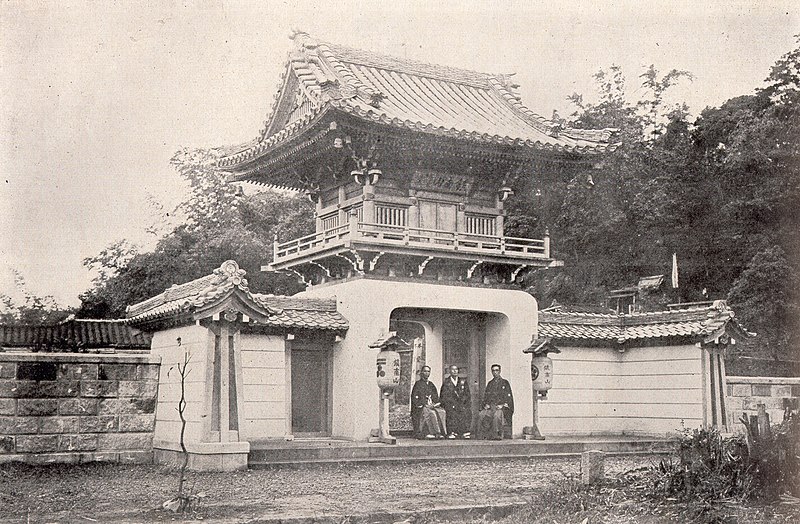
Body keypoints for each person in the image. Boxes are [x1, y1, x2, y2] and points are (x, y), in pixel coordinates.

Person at [476, 364, 514, 440]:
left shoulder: (505, 383)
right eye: (493, 371)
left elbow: (508, 398)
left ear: (500, 371)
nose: (495, 372)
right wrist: (486, 405)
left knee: (497, 416)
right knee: (482, 414)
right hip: (491, 406)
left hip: (500, 407)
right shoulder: (490, 383)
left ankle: (496, 435)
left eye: (497, 370)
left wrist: (502, 405)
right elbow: (486, 397)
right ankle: (482, 435)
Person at [409, 365, 447, 439]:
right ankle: (430, 432)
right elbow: (415, 397)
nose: (427, 373)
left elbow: (435, 397)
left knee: (442, 412)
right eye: (425, 371)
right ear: (422, 372)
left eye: (428, 371)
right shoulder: (418, 384)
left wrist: (435, 404)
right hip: (422, 406)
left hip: (431, 405)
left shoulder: (431, 384)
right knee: (431, 413)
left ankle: (441, 432)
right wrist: (423, 404)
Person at [439, 364, 472, 439]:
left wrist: (464, 402)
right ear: (450, 371)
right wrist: (451, 403)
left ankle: (464, 432)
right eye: (453, 369)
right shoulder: (446, 382)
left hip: (461, 403)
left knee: (465, 411)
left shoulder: (462, 381)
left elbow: (467, 394)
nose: (455, 371)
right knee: (451, 412)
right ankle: (452, 432)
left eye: (456, 369)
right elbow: (444, 395)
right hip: (451, 404)